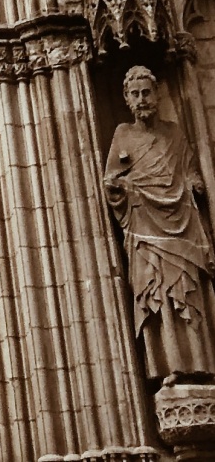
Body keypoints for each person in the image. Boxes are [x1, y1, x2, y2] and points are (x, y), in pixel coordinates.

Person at [104, 66, 215, 381]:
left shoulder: (173, 133)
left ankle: (202, 364)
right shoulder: (122, 134)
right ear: (126, 98)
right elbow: (110, 180)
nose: (142, 100)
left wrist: (195, 182)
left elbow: (188, 167)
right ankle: (167, 367)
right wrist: (121, 187)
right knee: (157, 292)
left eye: (147, 92)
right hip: (144, 226)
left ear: (156, 94)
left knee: (186, 291)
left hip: (181, 222)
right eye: (135, 94)